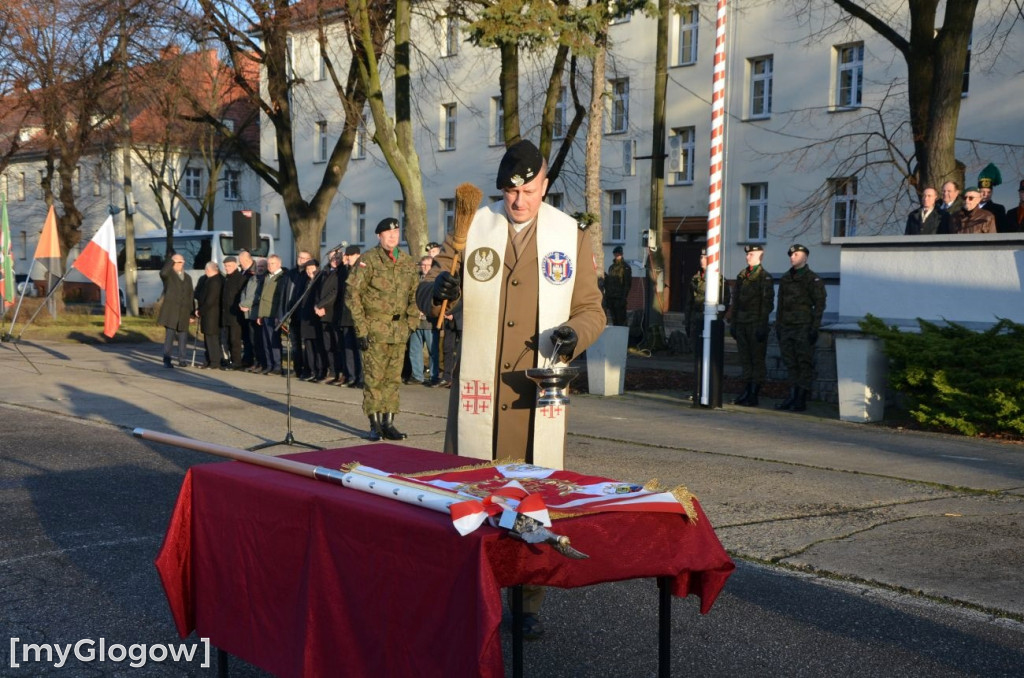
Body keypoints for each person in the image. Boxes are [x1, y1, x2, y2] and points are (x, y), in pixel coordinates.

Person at [417, 140, 605, 640]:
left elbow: (593, 310)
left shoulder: (570, 235)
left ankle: (527, 600)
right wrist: (437, 292)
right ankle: (468, 593)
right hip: (477, 394)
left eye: (528, 189)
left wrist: (574, 336)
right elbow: (430, 286)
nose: (518, 200)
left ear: (545, 183)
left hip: (535, 397)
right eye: (511, 190)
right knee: (469, 499)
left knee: (530, 502)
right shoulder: (472, 226)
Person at [346, 218, 420, 441]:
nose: (393, 236)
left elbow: (414, 295)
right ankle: (375, 424)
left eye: (396, 232)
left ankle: (389, 422)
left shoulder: (407, 262)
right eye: (388, 233)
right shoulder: (368, 260)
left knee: (393, 379)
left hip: (399, 330)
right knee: (374, 378)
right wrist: (361, 329)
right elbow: (353, 295)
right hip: (375, 329)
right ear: (379, 236)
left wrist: (412, 323)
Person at [775, 244, 826, 412]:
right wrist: (778, 326)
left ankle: (801, 398)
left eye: (796, 254)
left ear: (805, 257)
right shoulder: (785, 278)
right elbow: (780, 305)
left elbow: (819, 305)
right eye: (791, 255)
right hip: (787, 326)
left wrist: (814, 328)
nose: (792, 257)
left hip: (803, 327)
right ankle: (792, 395)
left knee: (804, 363)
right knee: (790, 363)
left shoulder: (813, 279)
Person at [728, 245, 774, 407]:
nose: (748, 257)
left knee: (757, 360)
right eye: (747, 254)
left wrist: (762, 325)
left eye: (751, 254)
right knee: (745, 359)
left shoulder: (764, 277)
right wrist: (733, 323)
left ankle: (754, 393)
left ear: (760, 256)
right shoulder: (742, 276)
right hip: (741, 323)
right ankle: (746, 390)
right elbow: (736, 301)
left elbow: (767, 304)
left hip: (755, 323)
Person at [158, 253, 195, 368]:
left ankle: (182, 359)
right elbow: (162, 272)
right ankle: (167, 359)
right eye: (179, 262)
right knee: (170, 336)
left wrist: (192, 313)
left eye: (183, 262)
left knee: (183, 337)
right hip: (171, 311)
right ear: (173, 263)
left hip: (184, 311)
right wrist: (171, 261)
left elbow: (190, 295)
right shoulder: (168, 275)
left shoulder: (187, 277)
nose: (181, 264)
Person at [408, 256, 440, 386]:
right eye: (423, 265)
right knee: (414, 349)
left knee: (433, 351)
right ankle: (417, 375)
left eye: (428, 265)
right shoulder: (415, 280)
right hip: (416, 321)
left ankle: (434, 375)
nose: (425, 267)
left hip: (430, 321)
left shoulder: (436, 281)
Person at [256, 254, 288, 375]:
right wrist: (260, 315)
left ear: (279, 264)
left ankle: (277, 366)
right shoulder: (267, 276)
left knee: (274, 341)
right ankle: (269, 365)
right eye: (268, 264)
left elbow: (280, 298)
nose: (270, 266)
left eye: (272, 263)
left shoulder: (281, 277)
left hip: (273, 314)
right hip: (265, 314)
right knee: (266, 342)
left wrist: (278, 316)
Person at [338, 245, 364, 388]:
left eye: (349, 256)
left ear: (356, 255)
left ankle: (361, 378)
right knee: (348, 348)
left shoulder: (361, 268)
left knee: (359, 349)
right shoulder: (347, 270)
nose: (346, 258)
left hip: (358, 315)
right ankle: (351, 376)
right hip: (346, 315)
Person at [317, 249, 344, 384]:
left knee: (338, 345)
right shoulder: (324, 272)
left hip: (334, 312)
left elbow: (335, 292)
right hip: (323, 314)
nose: (335, 259)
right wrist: (317, 306)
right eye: (332, 257)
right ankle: (332, 371)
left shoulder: (342, 272)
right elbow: (318, 290)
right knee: (328, 346)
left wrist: (322, 305)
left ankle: (342, 372)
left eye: (337, 257)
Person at [299, 259, 328, 382]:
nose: (310, 271)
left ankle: (321, 370)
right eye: (307, 269)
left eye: (312, 268)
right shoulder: (306, 282)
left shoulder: (319, 281)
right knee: (309, 347)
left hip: (315, 318)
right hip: (305, 319)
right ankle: (312, 370)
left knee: (318, 347)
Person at [193, 261, 223, 369]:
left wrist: (201, 311)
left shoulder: (215, 282)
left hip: (212, 315)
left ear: (209, 270)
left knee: (212, 339)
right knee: (208, 338)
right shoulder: (208, 280)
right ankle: (209, 360)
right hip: (208, 314)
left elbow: (210, 300)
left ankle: (215, 362)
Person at [239, 258, 266, 372]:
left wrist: (247, 304)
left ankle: (261, 363)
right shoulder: (252, 279)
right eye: (258, 266)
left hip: (258, 314)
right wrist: (242, 303)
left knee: (259, 341)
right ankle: (256, 362)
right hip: (248, 314)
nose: (259, 268)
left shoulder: (265, 280)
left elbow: (259, 296)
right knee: (252, 340)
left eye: (262, 266)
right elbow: (244, 292)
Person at [220, 255, 246, 369]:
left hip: (236, 314)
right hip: (226, 314)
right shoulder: (227, 278)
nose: (227, 268)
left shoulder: (240, 278)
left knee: (235, 340)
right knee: (228, 339)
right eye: (225, 266)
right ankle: (231, 360)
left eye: (229, 266)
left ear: (235, 265)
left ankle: (237, 362)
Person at [236, 249, 258, 368]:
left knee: (252, 336)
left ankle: (251, 359)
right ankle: (247, 358)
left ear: (246, 260)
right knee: (246, 336)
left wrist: (246, 304)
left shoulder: (253, 272)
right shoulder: (243, 272)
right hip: (242, 309)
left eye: (241, 261)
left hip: (250, 310)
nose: (239, 263)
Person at [604, 245, 632, 327]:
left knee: (621, 321)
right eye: (616, 254)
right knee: (614, 320)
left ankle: (623, 338)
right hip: (611, 297)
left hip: (620, 299)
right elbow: (609, 282)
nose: (617, 256)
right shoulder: (611, 267)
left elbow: (627, 284)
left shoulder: (625, 267)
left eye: (619, 254)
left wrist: (624, 298)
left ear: (622, 255)